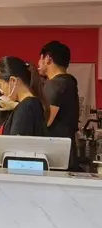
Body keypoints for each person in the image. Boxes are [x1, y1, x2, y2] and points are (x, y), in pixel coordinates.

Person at [38, 41, 80, 169]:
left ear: (48, 59)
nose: (38, 63)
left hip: (56, 156)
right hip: (67, 153)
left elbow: (45, 121)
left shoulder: (55, 85)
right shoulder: (69, 82)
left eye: (40, 59)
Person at [0, 56, 49, 137]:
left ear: (13, 81)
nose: (1, 91)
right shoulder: (30, 104)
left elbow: (15, 143)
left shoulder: (26, 107)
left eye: (0, 85)